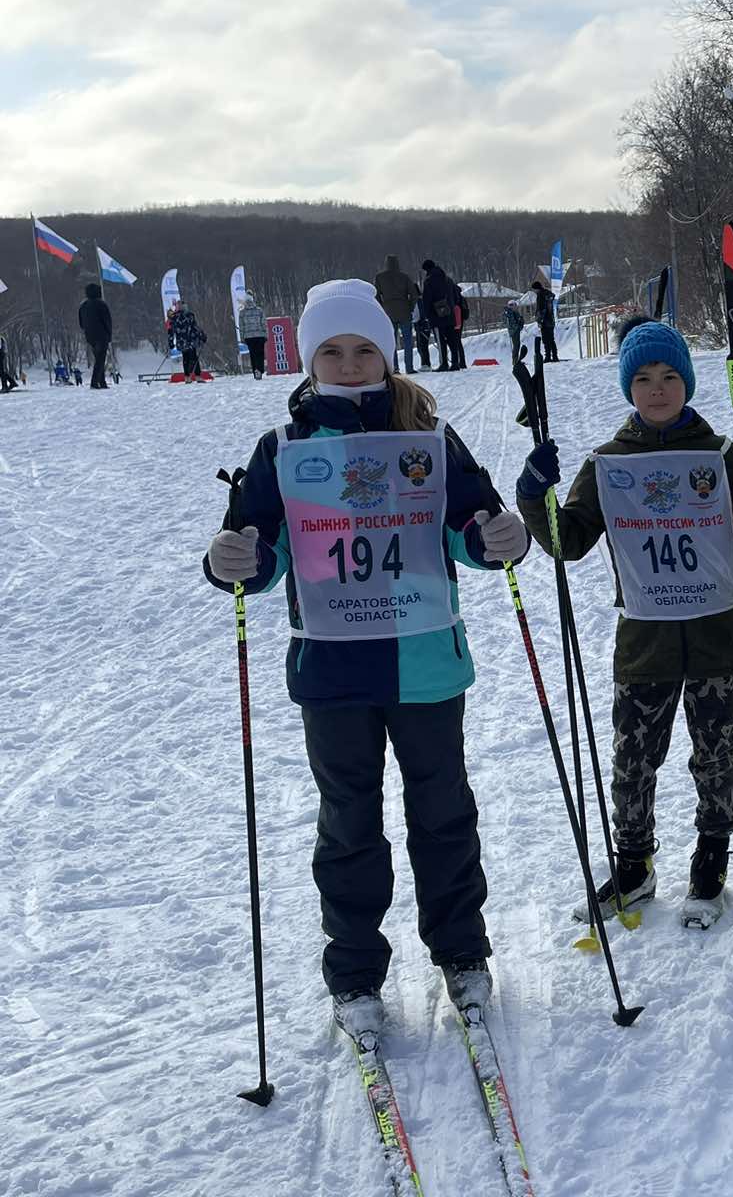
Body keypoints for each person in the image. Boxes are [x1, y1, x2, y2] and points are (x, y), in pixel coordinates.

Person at [202, 278, 530, 1028]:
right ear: (311, 361)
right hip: (334, 669)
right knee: (349, 821)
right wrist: (232, 559)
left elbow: (469, 526)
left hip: (425, 663)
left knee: (442, 811)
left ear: (385, 354)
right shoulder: (283, 448)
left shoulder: (427, 439)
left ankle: (462, 953)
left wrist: (497, 539)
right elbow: (260, 548)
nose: (349, 364)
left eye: (362, 350)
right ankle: (354, 971)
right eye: (332, 351)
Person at [516, 317, 733, 929]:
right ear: (628, 387)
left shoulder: (721, 456)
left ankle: (711, 855)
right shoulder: (609, 463)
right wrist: (535, 499)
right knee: (633, 758)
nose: (657, 389)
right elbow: (569, 543)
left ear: (687, 382)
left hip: (716, 636)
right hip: (645, 640)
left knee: (715, 752)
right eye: (643, 378)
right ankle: (634, 862)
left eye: (670, 376)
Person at [374, 254, 421, 374]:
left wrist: (382, 307)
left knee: (391, 342)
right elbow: (414, 294)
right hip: (404, 310)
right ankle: (409, 367)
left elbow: (376, 295)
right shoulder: (404, 277)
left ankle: (394, 368)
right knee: (408, 341)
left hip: (388, 311)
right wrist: (410, 307)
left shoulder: (380, 277)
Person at [421, 260, 465, 371]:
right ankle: (455, 362)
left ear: (426, 269)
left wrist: (427, 315)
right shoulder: (448, 279)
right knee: (452, 339)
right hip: (450, 314)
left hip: (436, 315)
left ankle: (444, 363)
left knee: (440, 340)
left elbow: (426, 300)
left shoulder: (428, 281)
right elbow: (456, 296)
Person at [77, 282, 113, 389]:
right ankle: (95, 382)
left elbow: (81, 323)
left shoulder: (83, 306)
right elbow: (107, 321)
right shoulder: (101, 304)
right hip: (102, 335)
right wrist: (109, 334)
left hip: (90, 336)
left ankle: (102, 382)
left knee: (98, 358)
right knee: (100, 359)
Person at [169, 298, 207, 382]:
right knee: (193, 357)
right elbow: (195, 327)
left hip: (183, 341)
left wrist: (171, 342)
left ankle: (187, 377)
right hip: (189, 341)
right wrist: (202, 335)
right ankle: (196, 376)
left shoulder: (175, 317)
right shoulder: (187, 316)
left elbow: (171, 331)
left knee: (186, 358)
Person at [237, 291, 269, 379]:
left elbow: (241, 326)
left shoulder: (242, 313)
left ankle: (255, 370)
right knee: (260, 353)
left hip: (249, 337)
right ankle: (259, 370)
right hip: (259, 335)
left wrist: (242, 337)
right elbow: (264, 323)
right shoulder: (259, 310)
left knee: (253, 354)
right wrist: (266, 334)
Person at [531, 280, 558, 363]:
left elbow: (541, 309)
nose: (534, 291)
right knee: (551, 339)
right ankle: (555, 356)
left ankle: (548, 357)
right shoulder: (548, 294)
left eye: (534, 289)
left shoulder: (540, 296)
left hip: (545, 321)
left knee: (546, 340)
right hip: (551, 320)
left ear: (536, 289)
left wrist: (539, 320)